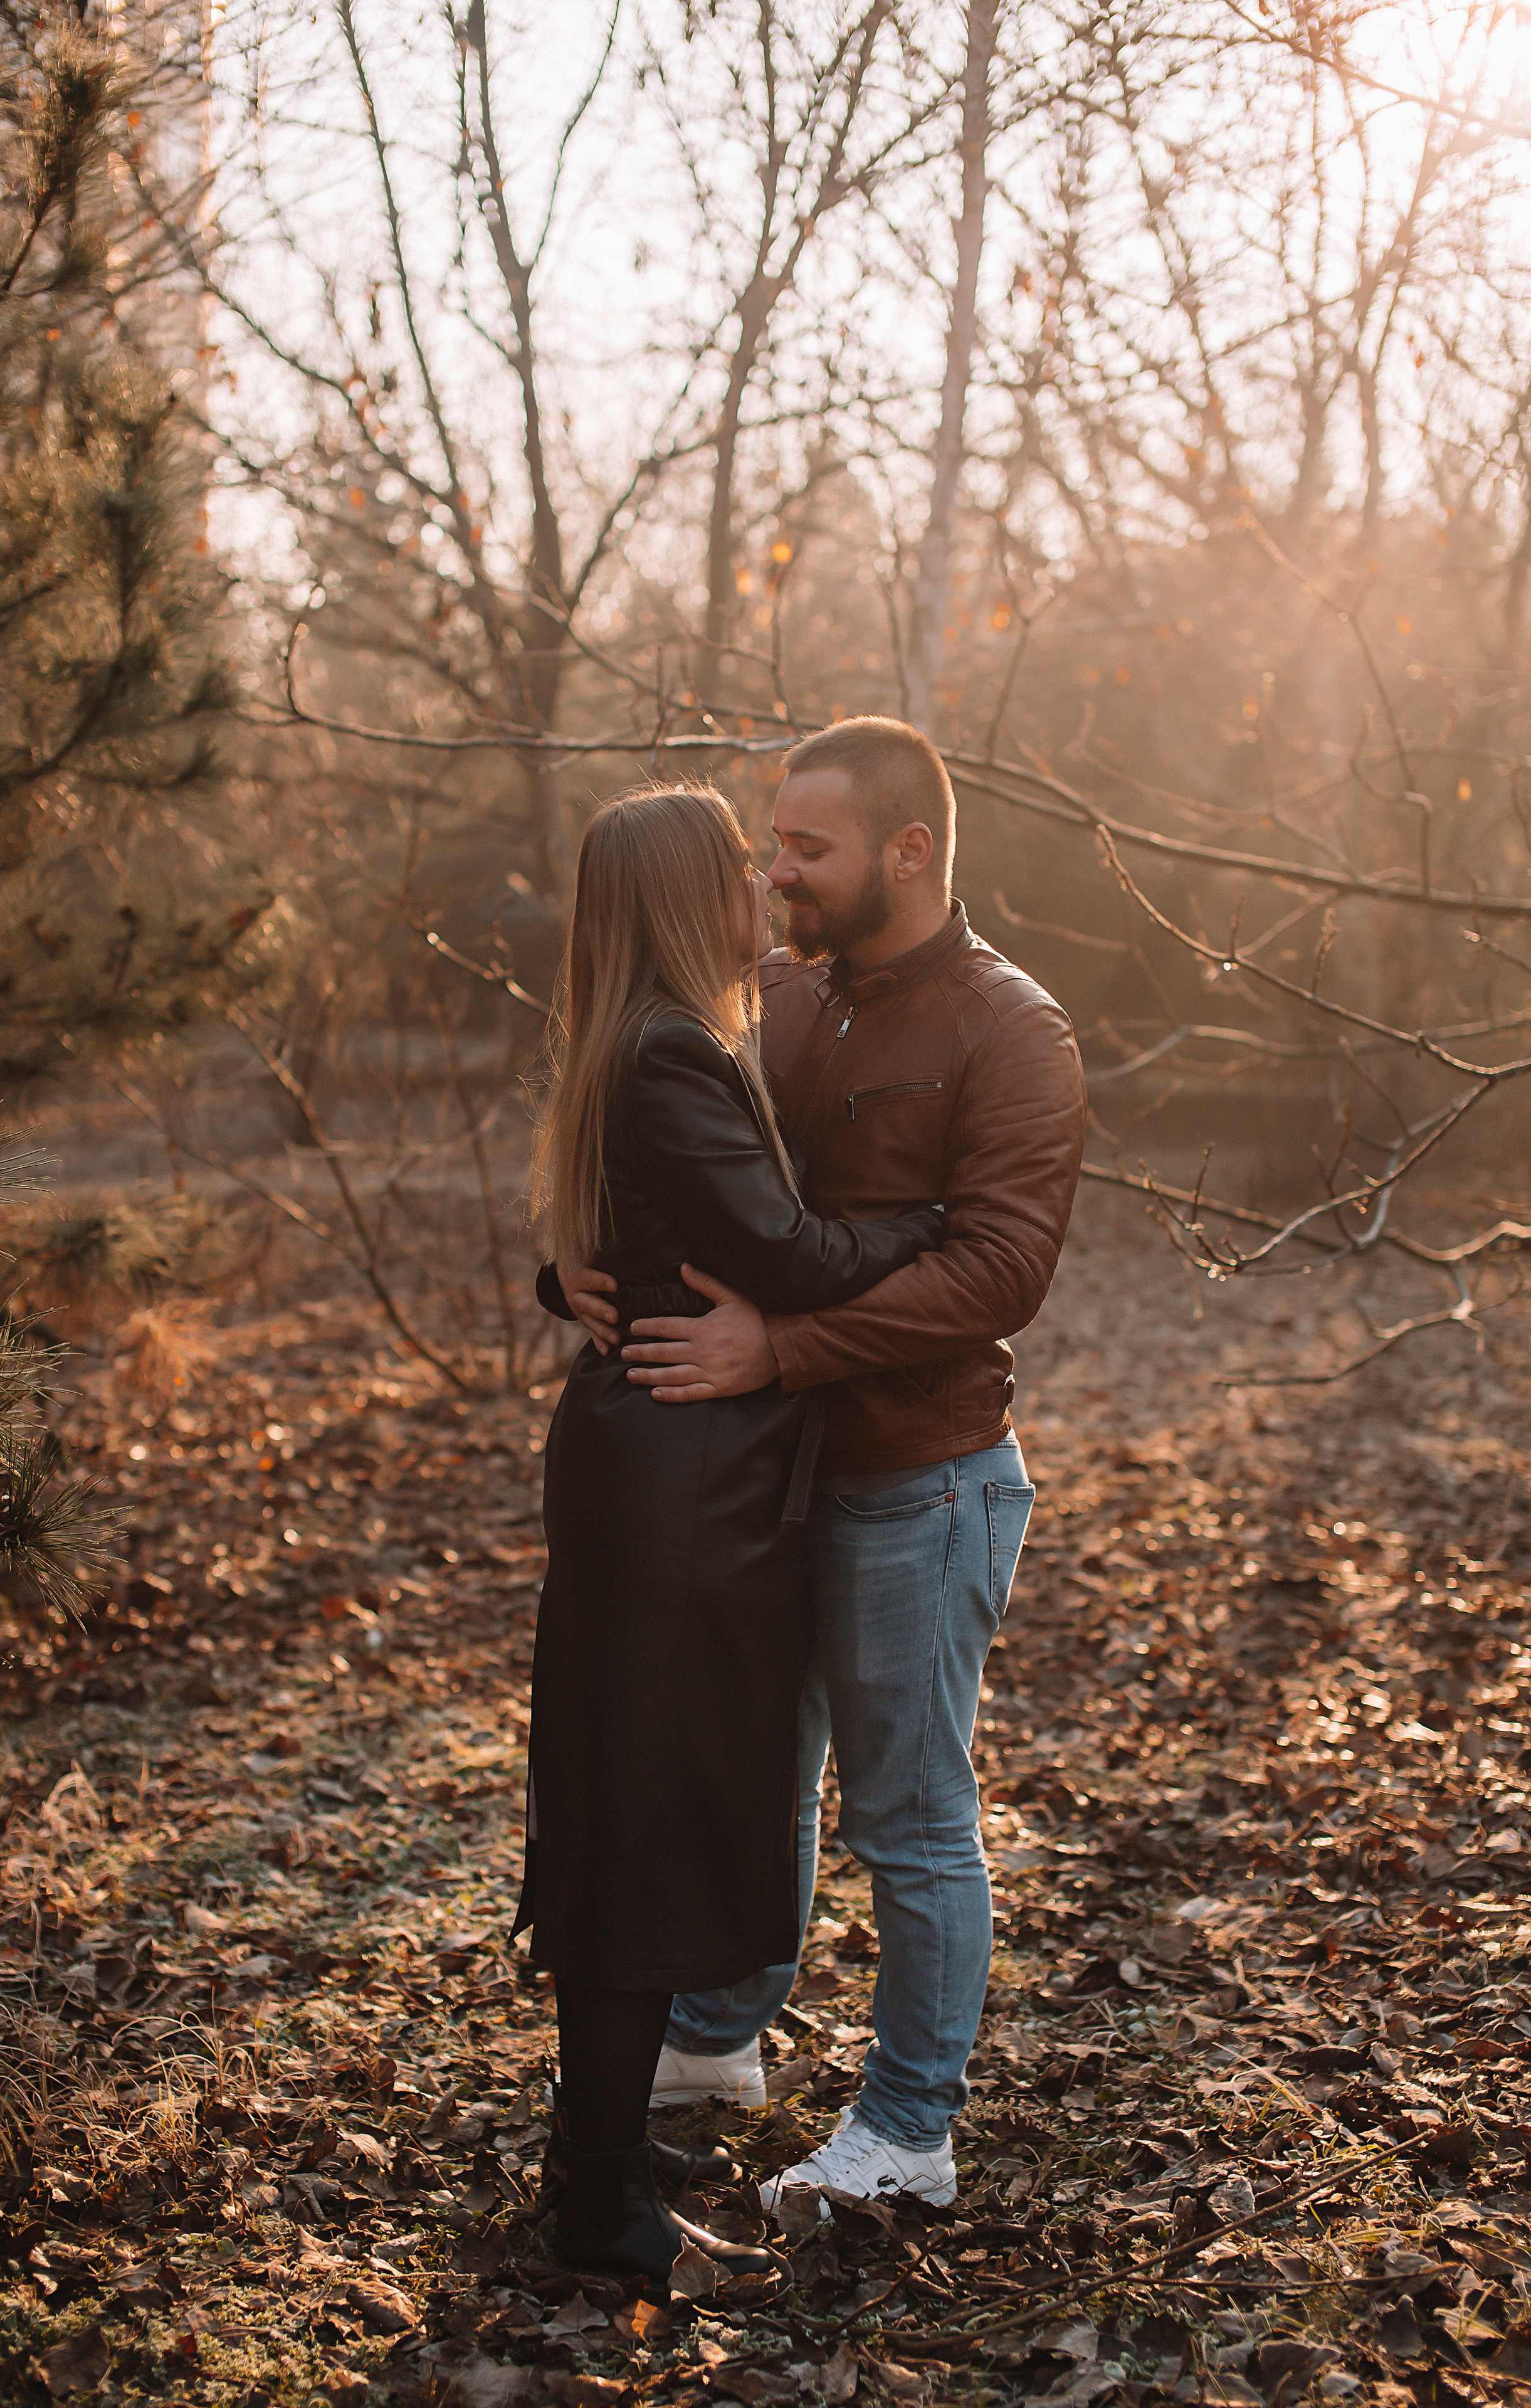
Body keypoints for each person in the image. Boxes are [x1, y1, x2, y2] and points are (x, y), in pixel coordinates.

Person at [559, 717, 1086, 2212]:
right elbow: (685, 1179)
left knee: (906, 1817)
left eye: (806, 849)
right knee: (761, 1781)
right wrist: (575, 1275)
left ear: (906, 853)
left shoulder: (1011, 1030)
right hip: (752, 1479)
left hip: (916, 1478)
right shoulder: (774, 1002)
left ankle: (907, 2130)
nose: (775, 872)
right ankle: (722, 2034)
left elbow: (995, 1274)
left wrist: (777, 1353)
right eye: (767, 847)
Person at [519, 782, 947, 2288]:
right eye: (738, 869)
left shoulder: (624, 1044)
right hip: (681, 1495)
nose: (764, 891)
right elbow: (787, 1255)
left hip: (656, 1474)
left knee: (631, 1804)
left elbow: (625, 1235)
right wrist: (935, 1231)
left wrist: (559, 1276)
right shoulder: (671, 1056)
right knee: (645, 1818)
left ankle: (596, 2169)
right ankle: (604, 2207)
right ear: (683, 897)